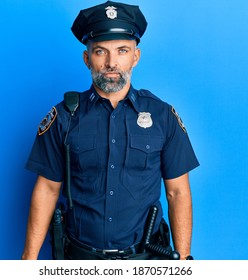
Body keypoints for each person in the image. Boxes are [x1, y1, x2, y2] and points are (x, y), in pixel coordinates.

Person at [22, 1, 199, 260]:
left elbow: (178, 192)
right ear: (87, 59)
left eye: (122, 51)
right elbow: (47, 189)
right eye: (100, 52)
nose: (111, 63)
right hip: (80, 261)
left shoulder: (162, 116)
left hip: (144, 260)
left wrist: (184, 262)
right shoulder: (63, 117)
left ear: (135, 57)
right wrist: (28, 260)